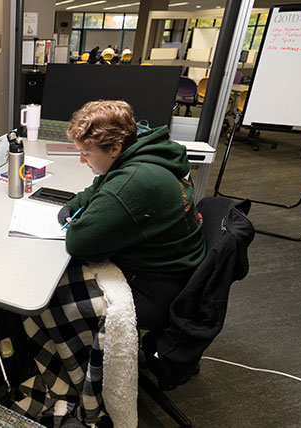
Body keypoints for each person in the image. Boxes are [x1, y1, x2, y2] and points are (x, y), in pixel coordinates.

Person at [13, 100, 205, 426]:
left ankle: (81, 382)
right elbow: (98, 186)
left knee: (53, 296)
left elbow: (79, 241)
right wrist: (75, 205)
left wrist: (79, 222)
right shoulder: (142, 147)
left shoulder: (134, 182)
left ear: (115, 147)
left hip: (159, 284)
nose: (82, 159)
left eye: (87, 153)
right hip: (173, 261)